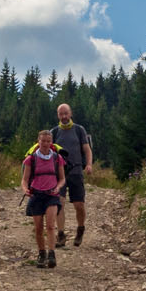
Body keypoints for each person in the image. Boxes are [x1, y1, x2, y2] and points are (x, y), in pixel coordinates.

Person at [50, 101, 95, 247]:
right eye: (61, 114)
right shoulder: (54, 132)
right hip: (59, 174)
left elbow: (87, 150)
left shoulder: (79, 130)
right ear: (58, 115)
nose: (63, 116)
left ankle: (80, 228)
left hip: (76, 171)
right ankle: (61, 235)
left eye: (66, 113)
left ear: (70, 114)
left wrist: (88, 164)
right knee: (59, 203)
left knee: (79, 205)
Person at [21, 129, 67, 268]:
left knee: (51, 225)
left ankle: (51, 254)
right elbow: (24, 180)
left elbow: (62, 178)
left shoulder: (57, 158)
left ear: (51, 142)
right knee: (39, 228)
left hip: (52, 195)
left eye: (48, 141)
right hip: (36, 195)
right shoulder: (31, 159)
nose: (46, 144)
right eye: (43, 141)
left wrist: (58, 187)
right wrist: (25, 190)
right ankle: (42, 254)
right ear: (38, 141)